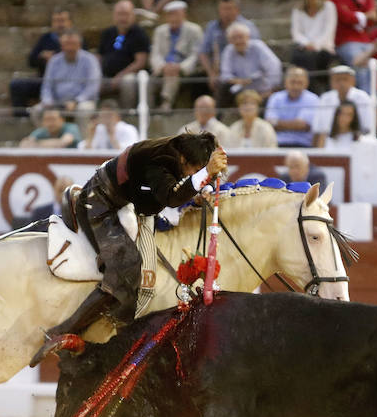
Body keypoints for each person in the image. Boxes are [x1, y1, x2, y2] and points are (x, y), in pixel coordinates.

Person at [29, 132, 228, 365]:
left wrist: (194, 189)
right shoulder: (163, 159)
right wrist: (204, 176)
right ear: (186, 160)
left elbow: (167, 191)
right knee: (128, 266)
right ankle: (61, 332)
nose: (191, 175)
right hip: (99, 204)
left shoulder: (172, 152)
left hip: (114, 201)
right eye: (195, 170)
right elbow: (170, 197)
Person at [327, 0, 377, 91]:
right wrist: (364, 16)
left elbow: (373, 19)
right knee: (360, 66)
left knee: (376, 65)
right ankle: (366, 102)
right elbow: (343, 17)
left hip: (366, 40)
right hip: (345, 41)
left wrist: (355, 16)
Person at [10, 8, 73, 115]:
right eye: (56, 21)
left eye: (62, 20)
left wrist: (56, 56)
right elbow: (31, 60)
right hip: (44, 80)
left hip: (68, 82)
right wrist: (42, 57)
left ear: (69, 22)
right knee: (17, 85)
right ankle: (22, 119)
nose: (60, 24)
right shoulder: (46, 38)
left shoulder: (75, 39)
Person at [198, 0, 261, 94]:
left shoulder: (249, 27)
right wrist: (211, 74)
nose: (227, 12)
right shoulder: (212, 27)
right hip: (219, 70)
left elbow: (255, 51)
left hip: (244, 70)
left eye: (230, 8)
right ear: (219, 10)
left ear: (237, 10)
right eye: (224, 9)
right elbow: (203, 52)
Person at [37, 28, 101, 126]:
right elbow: (47, 86)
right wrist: (48, 101)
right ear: (61, 45)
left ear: (79, 44)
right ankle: (45, 138)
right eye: (67, 44)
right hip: (57, 102)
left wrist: (76, 101)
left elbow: (93, 87)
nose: (69, 47)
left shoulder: (90, 60)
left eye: (73, 44)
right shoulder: (54, 61)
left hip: (82, 101)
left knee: (83, 110)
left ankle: (83, 140)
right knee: (37, 111)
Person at [150, 0, 203, 110]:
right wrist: (162, 66)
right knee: (145, 80)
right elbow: (155, 54)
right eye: (170, 14)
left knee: (172, 74)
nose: (173, 17)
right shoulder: (160, 31)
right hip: (163, 69)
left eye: (176, 14)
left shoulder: (194, 30)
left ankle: (166, 103)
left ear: (184, 14)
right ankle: (148, 108)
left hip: (184, 70)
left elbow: (196, 55)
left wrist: (180, 67)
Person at [99, 0, 151, 109]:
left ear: (133, 16)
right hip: (107, 75)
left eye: (126, 14)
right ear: (114, 16)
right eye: (119, 14)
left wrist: (120, 76)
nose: (123, 18)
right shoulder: (108, 33)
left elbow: (140, 62)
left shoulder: (139, 34)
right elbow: (99, 57)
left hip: (129, 75)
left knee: (128, 81)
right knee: (92, 80)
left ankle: (127, 112)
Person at [290, 0, 337, 95]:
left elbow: (329, 30)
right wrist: (307, 44)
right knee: (301, 56)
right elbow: (296, 33)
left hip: (324, 48)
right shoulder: (297, 9)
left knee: (311, 58)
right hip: (304, 48)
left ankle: (312, 91)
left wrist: (315, 45)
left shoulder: (329, 7)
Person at [217, 22, 282, 106]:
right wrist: (240, 81)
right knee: (223, 88)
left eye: (240, 37)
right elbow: (225, 76)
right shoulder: (228, 50)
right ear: (229, 40)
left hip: (263, 89)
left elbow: (274, 68)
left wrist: (269, 91)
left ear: (248, 37)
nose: (238, 41)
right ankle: (217, 116)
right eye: (234, 38)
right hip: (241, 90)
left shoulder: (258, 47)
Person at [312, 64, 374, 147]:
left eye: (345, 79)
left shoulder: (363, 97)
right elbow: (318, 130)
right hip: (329, 143)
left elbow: (368, 128)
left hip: (357, 142)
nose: (341, 83)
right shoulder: (325, 98)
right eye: (337, 80)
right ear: (331, 82)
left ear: (353, 81)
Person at [265, 67, 320, 148]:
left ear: (306, 83)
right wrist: (295, 124)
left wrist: (278, 124)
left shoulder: (313, 99)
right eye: (292, 82)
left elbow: (303, 126)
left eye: (299, 83)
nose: (296, 86)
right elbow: (269, 124)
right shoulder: (275, 97)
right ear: (285, 82)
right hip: (277, 145)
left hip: (303, 146)